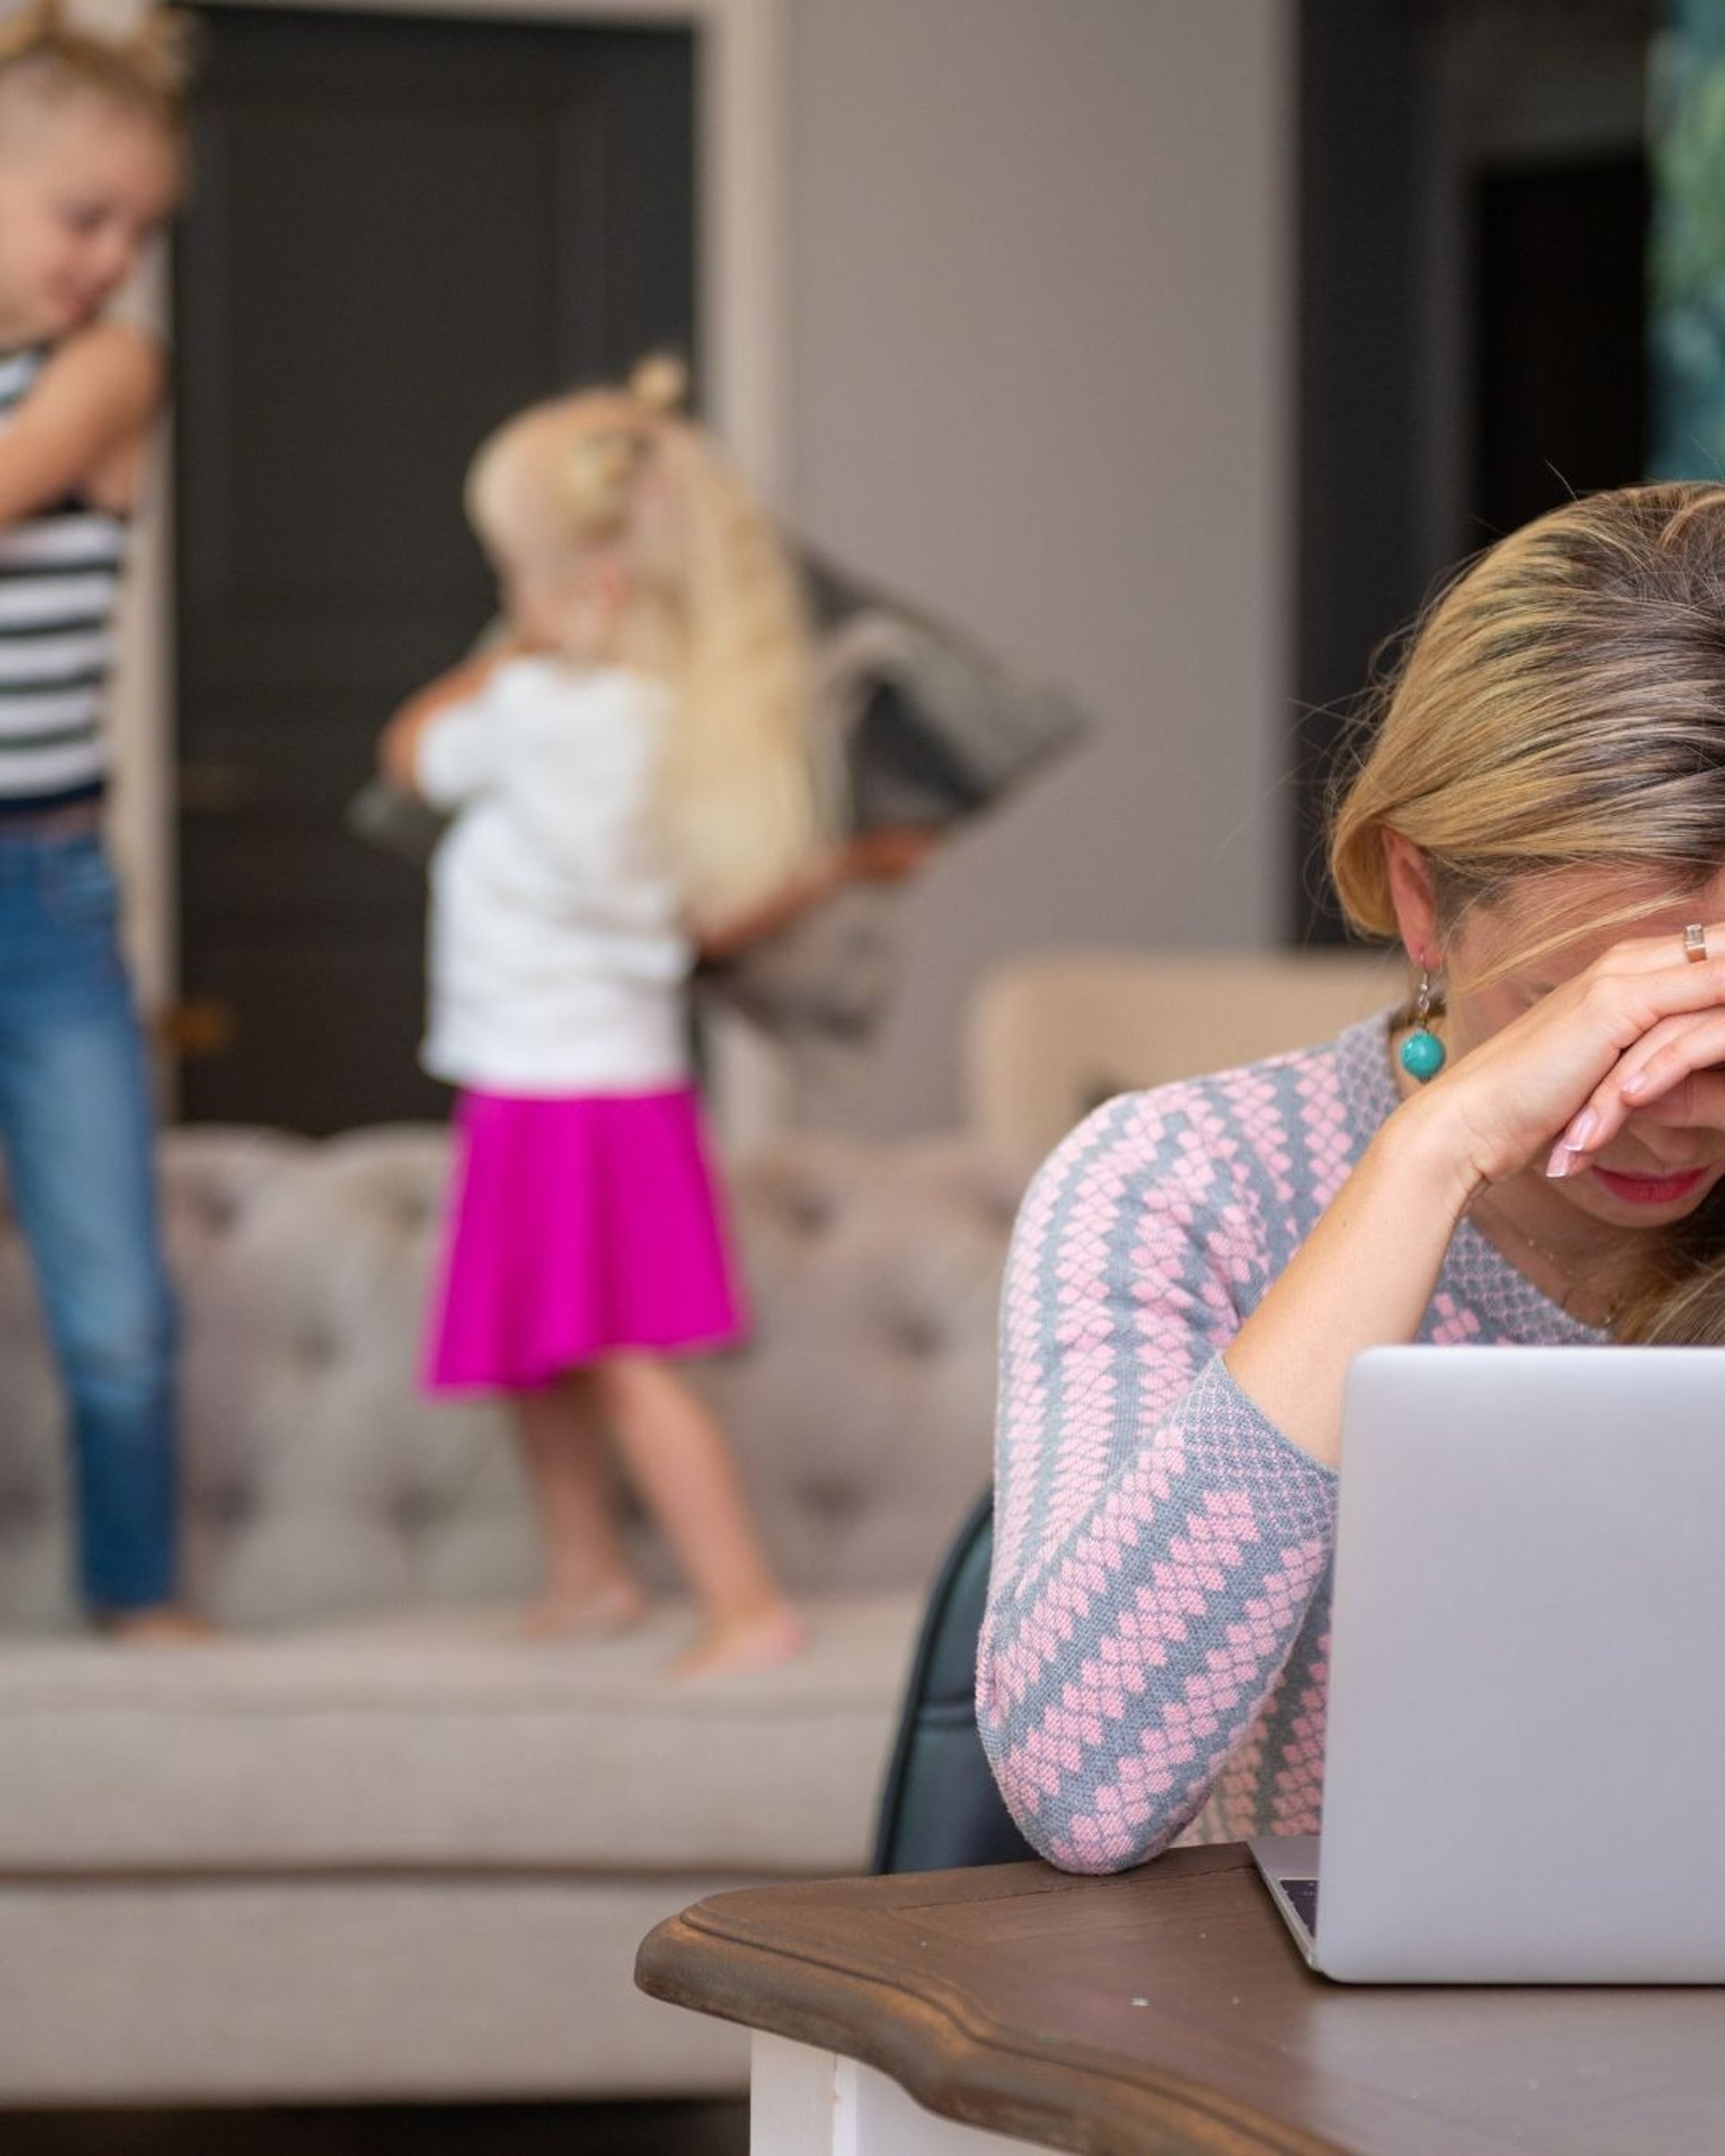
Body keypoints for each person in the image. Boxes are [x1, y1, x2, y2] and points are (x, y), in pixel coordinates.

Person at [979, 482, 1725, 1870]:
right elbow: (1085, 1791)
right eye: (1583, 1020)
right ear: (1426, 904)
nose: (1669, 1115)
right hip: (1343, 2057)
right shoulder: (1183, 1186)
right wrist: (1433, 1153)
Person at [379, 358, 822, 1674]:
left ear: (587, 589)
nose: (503, 609)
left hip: (554, 1084)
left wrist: (513, 651)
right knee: (547, 1350)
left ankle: (746, 1604)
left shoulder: (529, 712)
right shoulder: (681, 728)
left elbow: (407, 756)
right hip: (600, 1075)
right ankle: (591, 1575)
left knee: (617, 1357)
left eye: (512, 579)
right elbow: (706, 919)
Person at [0, 5, 194, 1638]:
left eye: (140, 227)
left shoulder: (105, 370)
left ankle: (141, 1604)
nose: (114, 256)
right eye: (84, 215)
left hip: (46, 883)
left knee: (115, 1300)